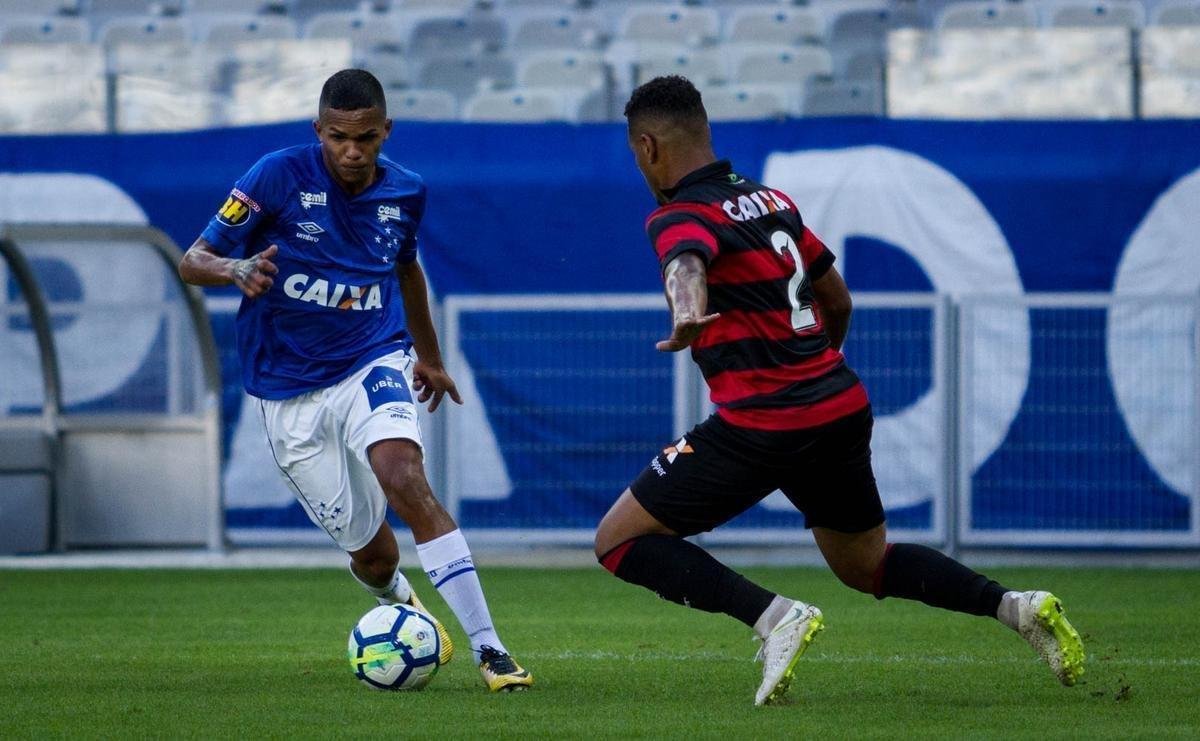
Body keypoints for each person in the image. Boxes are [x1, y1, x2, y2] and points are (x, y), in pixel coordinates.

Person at [594, 75, 1083, 706]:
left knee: (618, 540)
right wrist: (817, 367)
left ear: (649, 145)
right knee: (865, 564)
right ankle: (1016, 607)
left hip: (763, 421)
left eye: (636, 155)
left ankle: (775, 618)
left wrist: (686, 310)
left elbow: (685, 263)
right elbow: (836, 298)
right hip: (837, 405)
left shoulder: (677, 214)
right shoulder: (773, 202)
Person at [178, 69, 532, 692]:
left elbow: (407, 272)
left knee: (405, 478)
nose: (351, 151)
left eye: (365, 138)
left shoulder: (407, 191)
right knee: (374, 555)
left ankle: (491, 651)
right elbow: (192, 260)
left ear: (385, 132)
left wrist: (429, 357)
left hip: (371, 359)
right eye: (338, 137)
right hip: (286, 391)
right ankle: (400, 598)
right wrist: (235, 268)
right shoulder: (275, 176)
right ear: (319, 131)